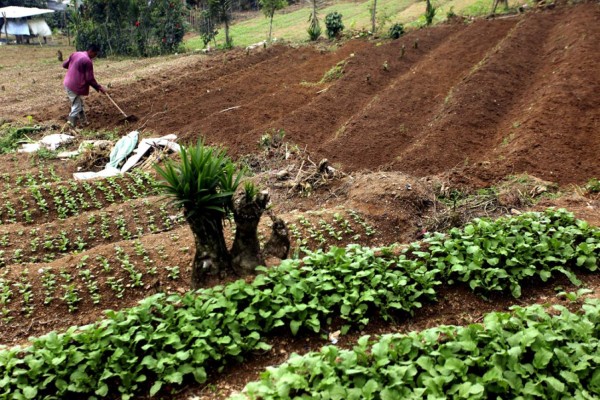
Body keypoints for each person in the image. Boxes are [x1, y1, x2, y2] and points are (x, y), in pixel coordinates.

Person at [62, 44, 107, 128]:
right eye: (95, 54)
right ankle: (70, 127)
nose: (95, 56)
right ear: (91, 51)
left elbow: (65, 65)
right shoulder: (87, 61)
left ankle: (84, 122)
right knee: (76, 106)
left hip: (68, 82)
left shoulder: (76, 54)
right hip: (74, 86)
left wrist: (75, 68)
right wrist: (99, 87)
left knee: (79, 104)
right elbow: (90, 79)